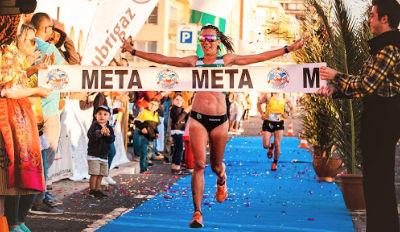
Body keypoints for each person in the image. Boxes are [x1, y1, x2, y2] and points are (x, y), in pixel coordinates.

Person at [121, 24, 304, 228]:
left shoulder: (226, 60)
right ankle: (197, 213)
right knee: (199, 165)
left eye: (210, 39)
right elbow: (164, 59)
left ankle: (222, 178)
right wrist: (133, 51)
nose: (206, 42)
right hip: (198, 118)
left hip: (220, 120)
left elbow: (258, 58)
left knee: (216, 166)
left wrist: (288, 49)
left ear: (218, 42)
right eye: (203, 38)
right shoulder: (194, 61)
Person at [316, 1, 400, 231]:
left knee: (379, 180)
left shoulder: (390, 48)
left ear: (385, 19)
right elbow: (362, 86)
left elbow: (367, 85)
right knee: (374, 181)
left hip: (384, 121)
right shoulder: (383, 47)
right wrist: (335, 91)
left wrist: (336, 76)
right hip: (377, 119)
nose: (369, 20)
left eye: (373, 16)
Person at [0, 22, 52, 231]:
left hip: (20, 120)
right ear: (19, 38)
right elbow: (8, 91)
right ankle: (12, 223)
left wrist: (33, 69)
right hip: (10, 121)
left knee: (24, 172)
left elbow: (16, 80)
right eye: (32, 40)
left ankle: (16, 222)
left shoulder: (16, 57)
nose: (35, 44)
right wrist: (37, 91)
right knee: (12, 176)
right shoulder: (8, 55)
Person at [30, 12, 68, 215]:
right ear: (46, 29)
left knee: (31, 156)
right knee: (46, 155)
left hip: (28, 106)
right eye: (51, 29)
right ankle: (39, 198)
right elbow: (71, 73)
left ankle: (34, 197)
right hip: (48, 108)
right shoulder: (49, 48)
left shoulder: (24, 44)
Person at [257, 92, 294, 171]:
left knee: (277, 144)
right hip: (268, 122)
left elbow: (292, 108)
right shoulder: (268, 95)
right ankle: (270, 146)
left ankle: (275, 163)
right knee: (265, 145)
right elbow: (259, 103)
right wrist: (262, 113)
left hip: (279, 123)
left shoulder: (285, 96)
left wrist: (287, 114)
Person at [87, 105, 115, 198]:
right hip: (94, 155)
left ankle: (98, 189)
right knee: (94, 173)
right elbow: (91, 136)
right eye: (100, 114)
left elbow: (111, 140)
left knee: (101, 174)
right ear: (95, 116)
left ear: (109, 117)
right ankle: (92, 190)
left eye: (105, 114)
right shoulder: (94, 126)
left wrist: (107, 135)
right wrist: (100, 133)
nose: (102, 116)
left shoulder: (110, 128)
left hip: (104, 155)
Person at [133, 98, 160, 174]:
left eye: (155, 105)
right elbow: (136, 122)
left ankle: (145, 167)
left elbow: (155, 126)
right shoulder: (144, 112)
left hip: (151, 136)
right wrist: (142, 128)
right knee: (143, 152)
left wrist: (156, 132)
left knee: (149, 152)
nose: (153, 106)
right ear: (148, 104)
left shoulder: (155, 114)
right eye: (151, 104)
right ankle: (143, 169)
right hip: (143, 135)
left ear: (157, 107)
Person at [169, 93, 192, 174]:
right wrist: (185, 111)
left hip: (181, 131)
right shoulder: (173, 109)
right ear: (173, 101)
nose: (179, 102)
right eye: (177, 100)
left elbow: (186, 116)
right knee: (179, 149)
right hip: (176, 131)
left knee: (177, 149)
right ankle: (177, 167)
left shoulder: (181, 109)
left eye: (181, 100)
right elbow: (178, 119)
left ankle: (174, 167)